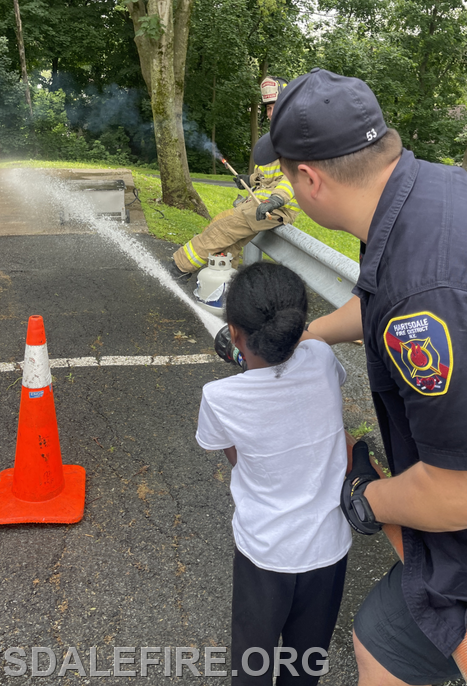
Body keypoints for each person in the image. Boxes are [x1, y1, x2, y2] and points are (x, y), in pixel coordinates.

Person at [261, 67, 467, 685]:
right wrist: (301, 336)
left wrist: (365, 502)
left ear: (310, 179)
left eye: (287, 174)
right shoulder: (428, 197)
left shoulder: (426, 298)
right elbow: (377, 302)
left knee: (383, 644)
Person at [196, 261, 352, 685]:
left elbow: (235, 456)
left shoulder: (219, 396)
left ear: (234, 334)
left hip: (265, 553)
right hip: (328, 548)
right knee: (305, 668)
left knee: (252, 668)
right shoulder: (320, 356)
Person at [170, 77, 299, 280]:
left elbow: (294, 178)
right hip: (259, 204)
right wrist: (249, 180)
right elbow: (266, 175)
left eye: (275, 106)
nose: (270, 112)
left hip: (276, 208)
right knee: (224, 230)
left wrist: (275, 200)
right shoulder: (277, 136)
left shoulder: (296, 138)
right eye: (268, 108)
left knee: (223, 229)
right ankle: (226, 285)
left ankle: (178, 268)